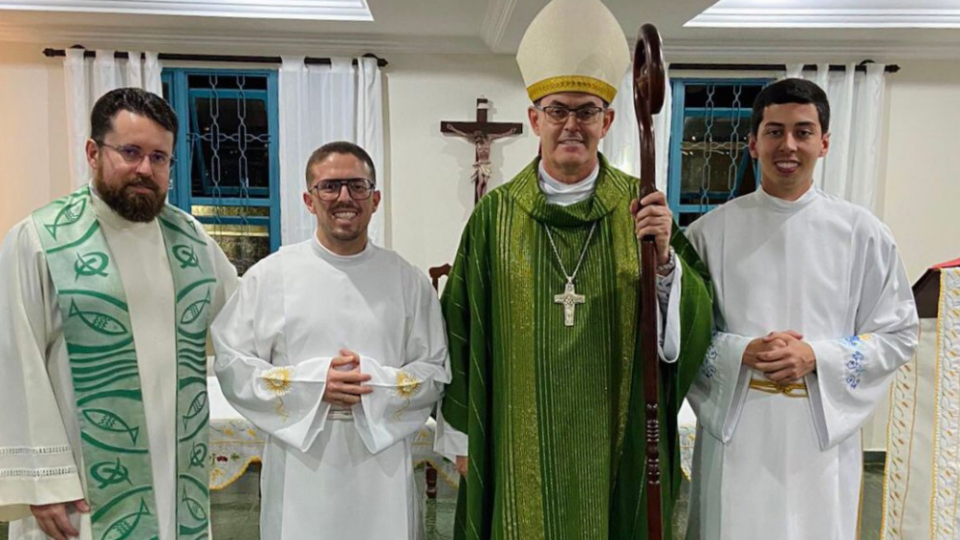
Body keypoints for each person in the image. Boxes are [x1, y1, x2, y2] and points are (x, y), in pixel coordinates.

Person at [433, 0, 714, 538]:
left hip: (613, 431)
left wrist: (666, 266)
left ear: (607, 121)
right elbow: (460, 328)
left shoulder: (643, 210)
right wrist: (464, 437)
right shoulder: (495, 217)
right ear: (535, 117)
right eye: (558, 110)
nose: (571, 125)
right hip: (515, 442)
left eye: (586, 111)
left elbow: (694, 321)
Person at [683, 78, 919, 540]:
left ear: (825, 143)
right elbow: (680, 334)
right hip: (738, 429)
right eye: (774, 131)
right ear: (752, 143)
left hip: (820, 433)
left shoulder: (861, 233)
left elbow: (898, 334)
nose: (787, 145)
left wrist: (817, 357)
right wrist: (740, 351)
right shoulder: (709, 234)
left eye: (803, 131)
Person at [0, 87, 238, 540]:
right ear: (93, 151)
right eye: (130, 152)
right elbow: (14, 358)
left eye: (159, 157)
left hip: (174, 472)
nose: (145, 169)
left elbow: (244, 322)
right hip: (83, 481)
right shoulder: (39, 239)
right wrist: (44, 480)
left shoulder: (191, 240)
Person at [212, 141, 450, 539]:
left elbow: (435, 369)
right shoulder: (270, 277)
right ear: (309, 199)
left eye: (357, 186)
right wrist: (315, 383)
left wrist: (371, 383)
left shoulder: (406, 280)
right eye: (330, 186)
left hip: (382, 466)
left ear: (375, 199)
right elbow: (232, 362)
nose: (345, 197)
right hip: (301, 464)